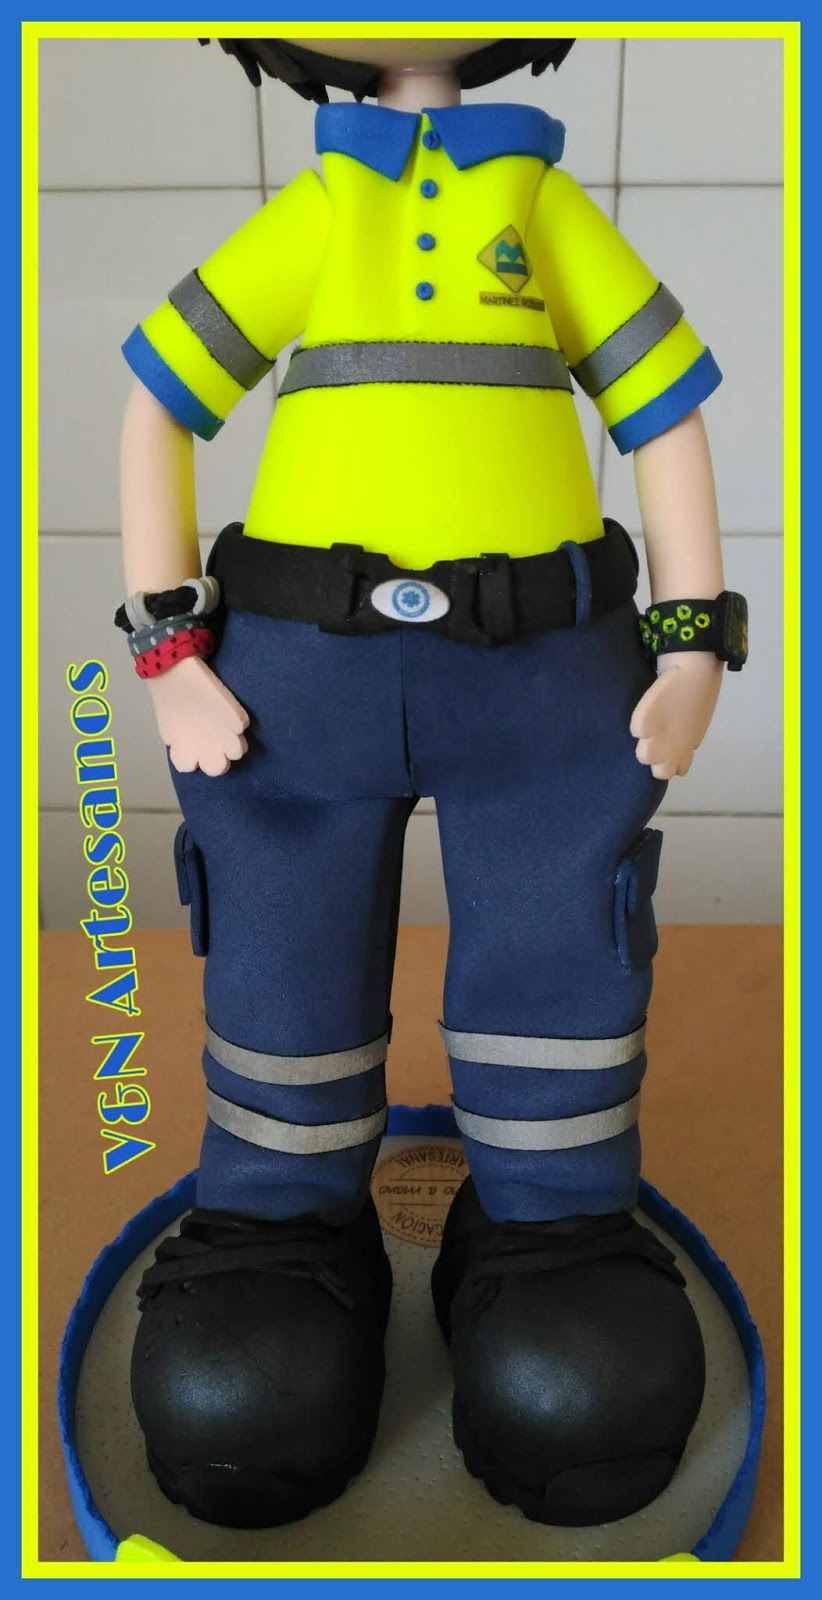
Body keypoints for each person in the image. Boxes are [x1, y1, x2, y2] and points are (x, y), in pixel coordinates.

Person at [117, 35, 748, 1531]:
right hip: (295, 675)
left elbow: (662, 415)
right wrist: (166, 646)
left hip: (547, 675)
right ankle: (276, 1230)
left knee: (560, 951)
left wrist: (691, 644)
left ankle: (555, 1233)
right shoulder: (319, 211)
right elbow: (159, 402)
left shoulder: (542, 204)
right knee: (279, 951)